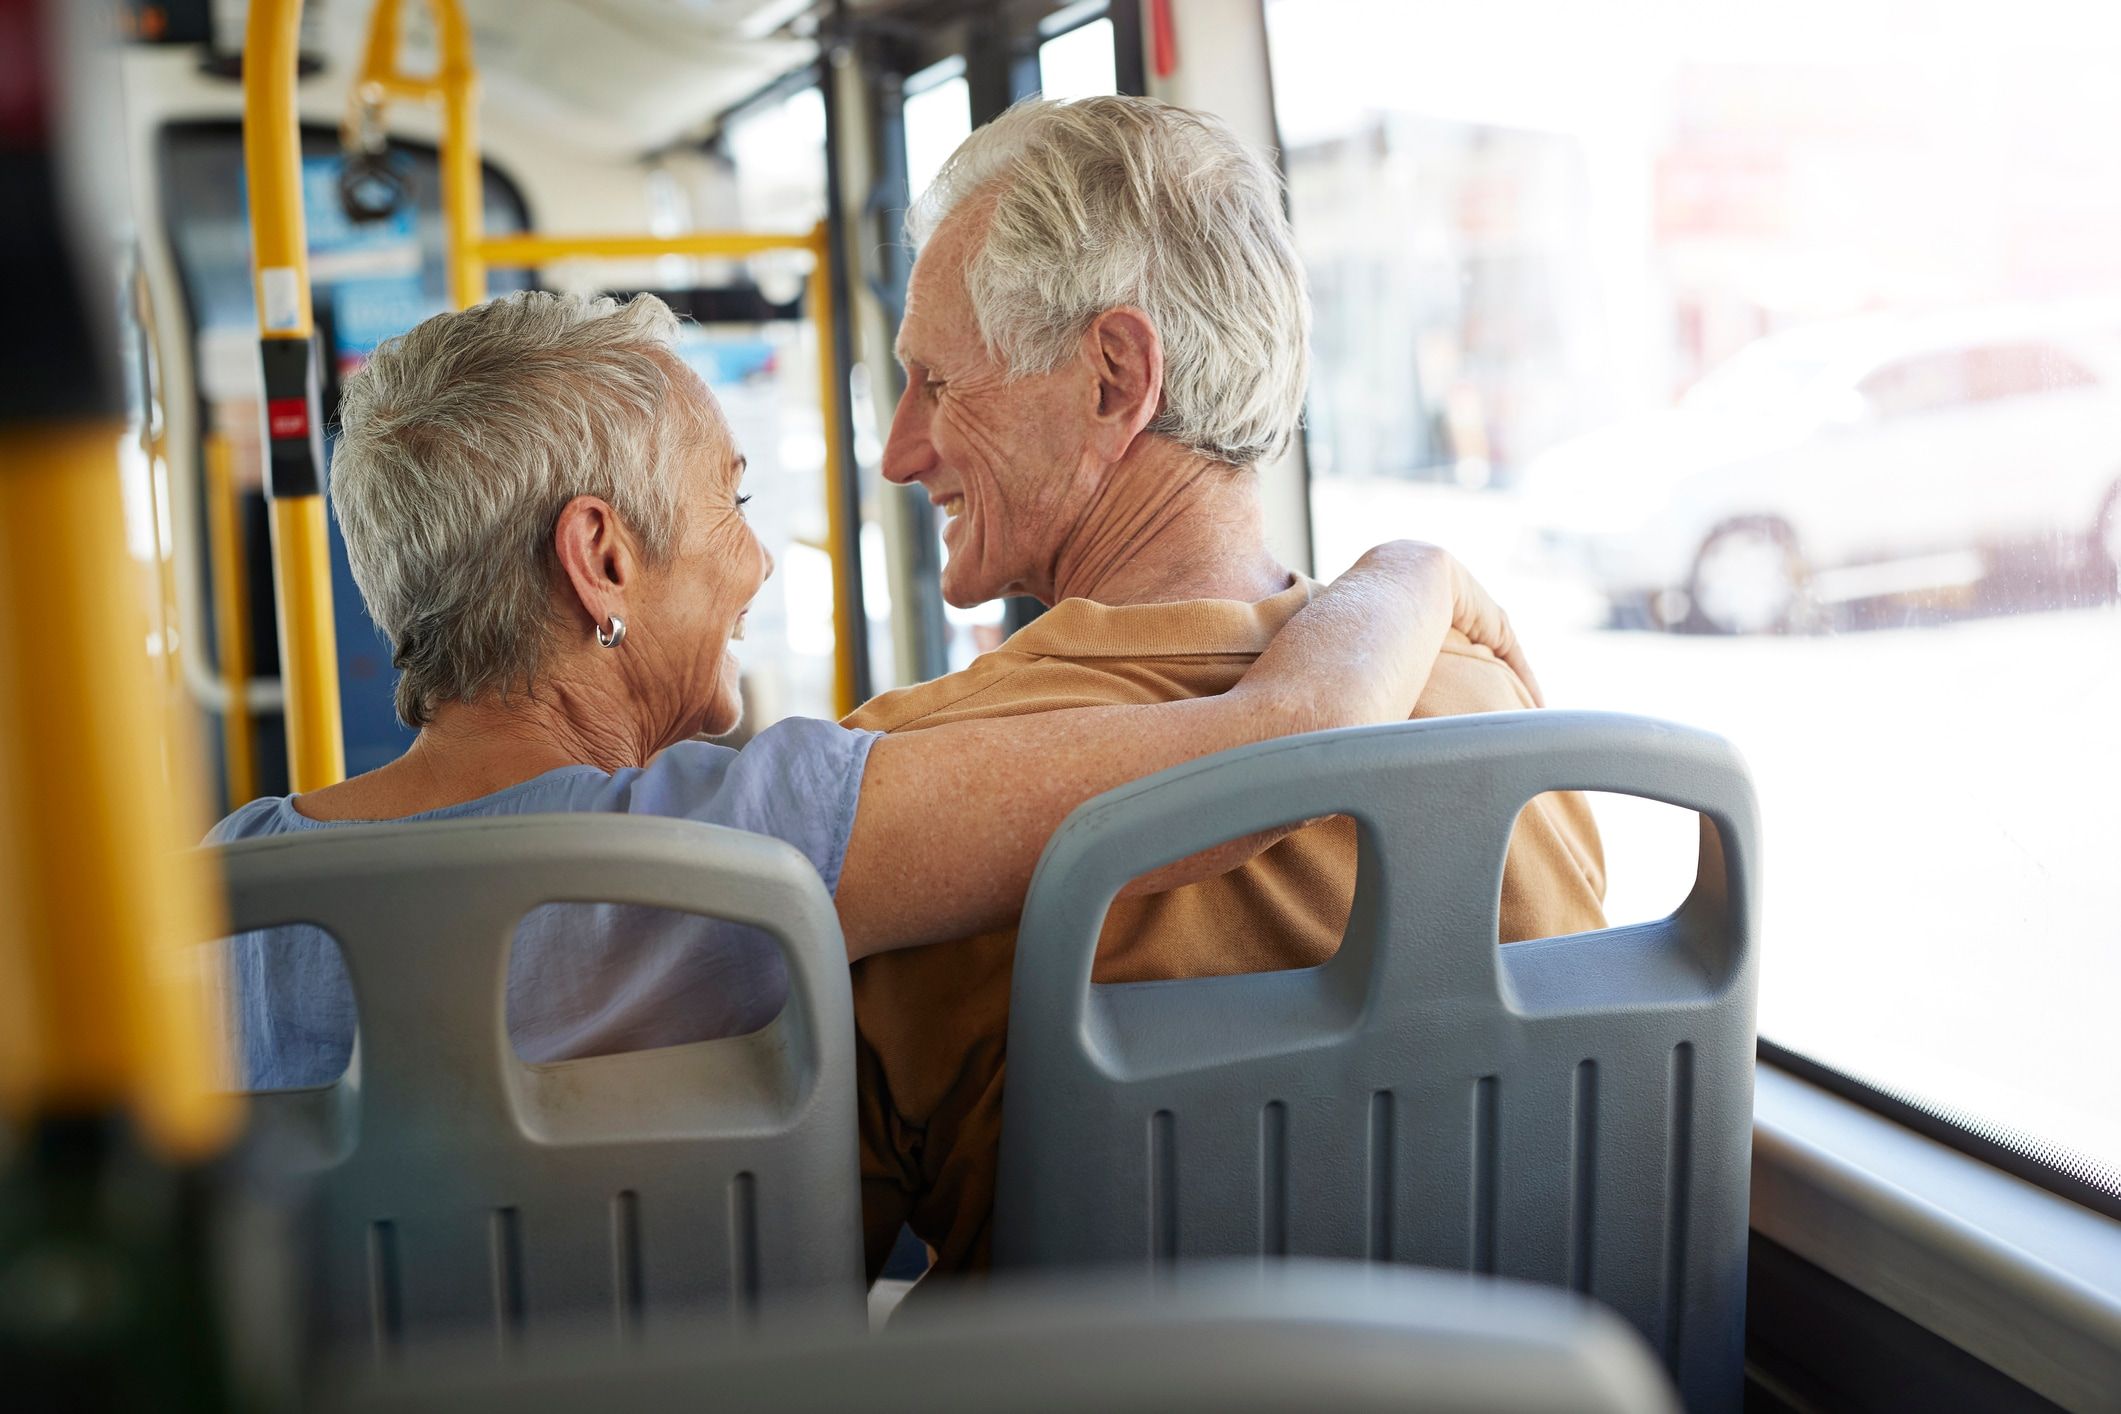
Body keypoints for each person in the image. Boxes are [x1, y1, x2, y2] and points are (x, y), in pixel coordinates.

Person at [210, 289, 1531, 1090]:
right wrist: (1415, 570)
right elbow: (1278, 746)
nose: (758, 553)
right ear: (601, 557)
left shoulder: (210, 900)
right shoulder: (737, 845)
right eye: (728, 498)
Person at [850, 97, 1609, 1278]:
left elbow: (770, 1302)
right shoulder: (1504, 724)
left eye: (937, 383)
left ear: (1113, 377)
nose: (900, 449)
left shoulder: (918, 785)